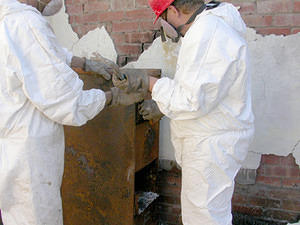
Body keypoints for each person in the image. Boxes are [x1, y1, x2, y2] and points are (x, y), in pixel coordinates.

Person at [0, 0, 143, 224]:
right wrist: (110, 97)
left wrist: (86, 63)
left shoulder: (7, 19)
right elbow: (68, 102)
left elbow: (44, 55)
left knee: (15, 216)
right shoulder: (26, 22)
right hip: (30, 153)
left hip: (10, 146)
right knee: (38, 218)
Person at [113, 0, 255, 224]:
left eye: (163, 19)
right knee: (208, 214)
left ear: (173, 10)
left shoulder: (207, 33)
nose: (164, 26)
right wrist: (163, 105)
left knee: (204, 218)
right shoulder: (212, 27)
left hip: (210, 145)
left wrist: (148, 82)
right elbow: (202, 90)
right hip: (212, 138)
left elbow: (191, 100)